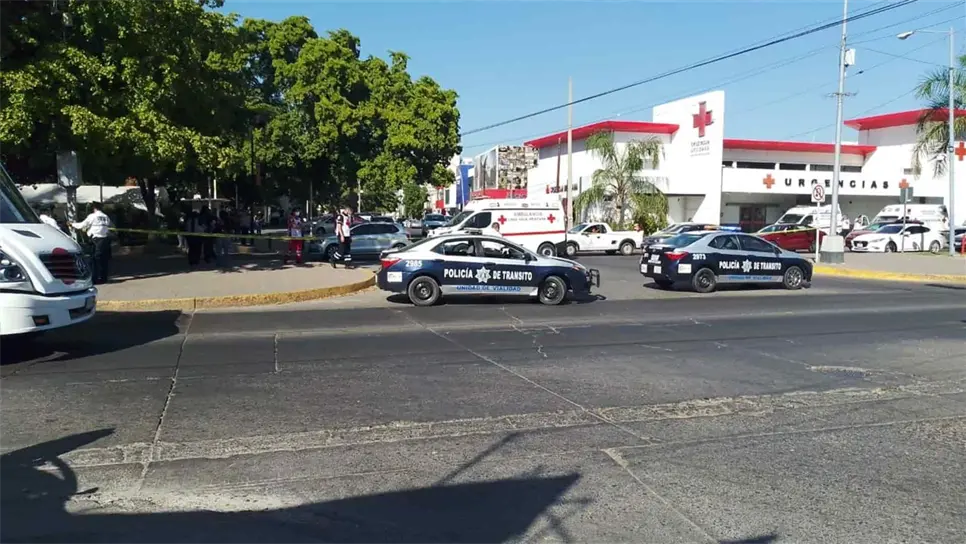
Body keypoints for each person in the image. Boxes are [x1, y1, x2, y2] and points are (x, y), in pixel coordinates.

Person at [71, 202, 112, 284]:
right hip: (105, 240)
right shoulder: (105, 216)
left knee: (95, 260)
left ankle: (95, 278)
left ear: (94, 208)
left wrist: (72, 224)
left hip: (95, 240)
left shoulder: (92, 216)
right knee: (104, 260)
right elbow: (109, 226)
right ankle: (104, 278)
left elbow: (82, 225)